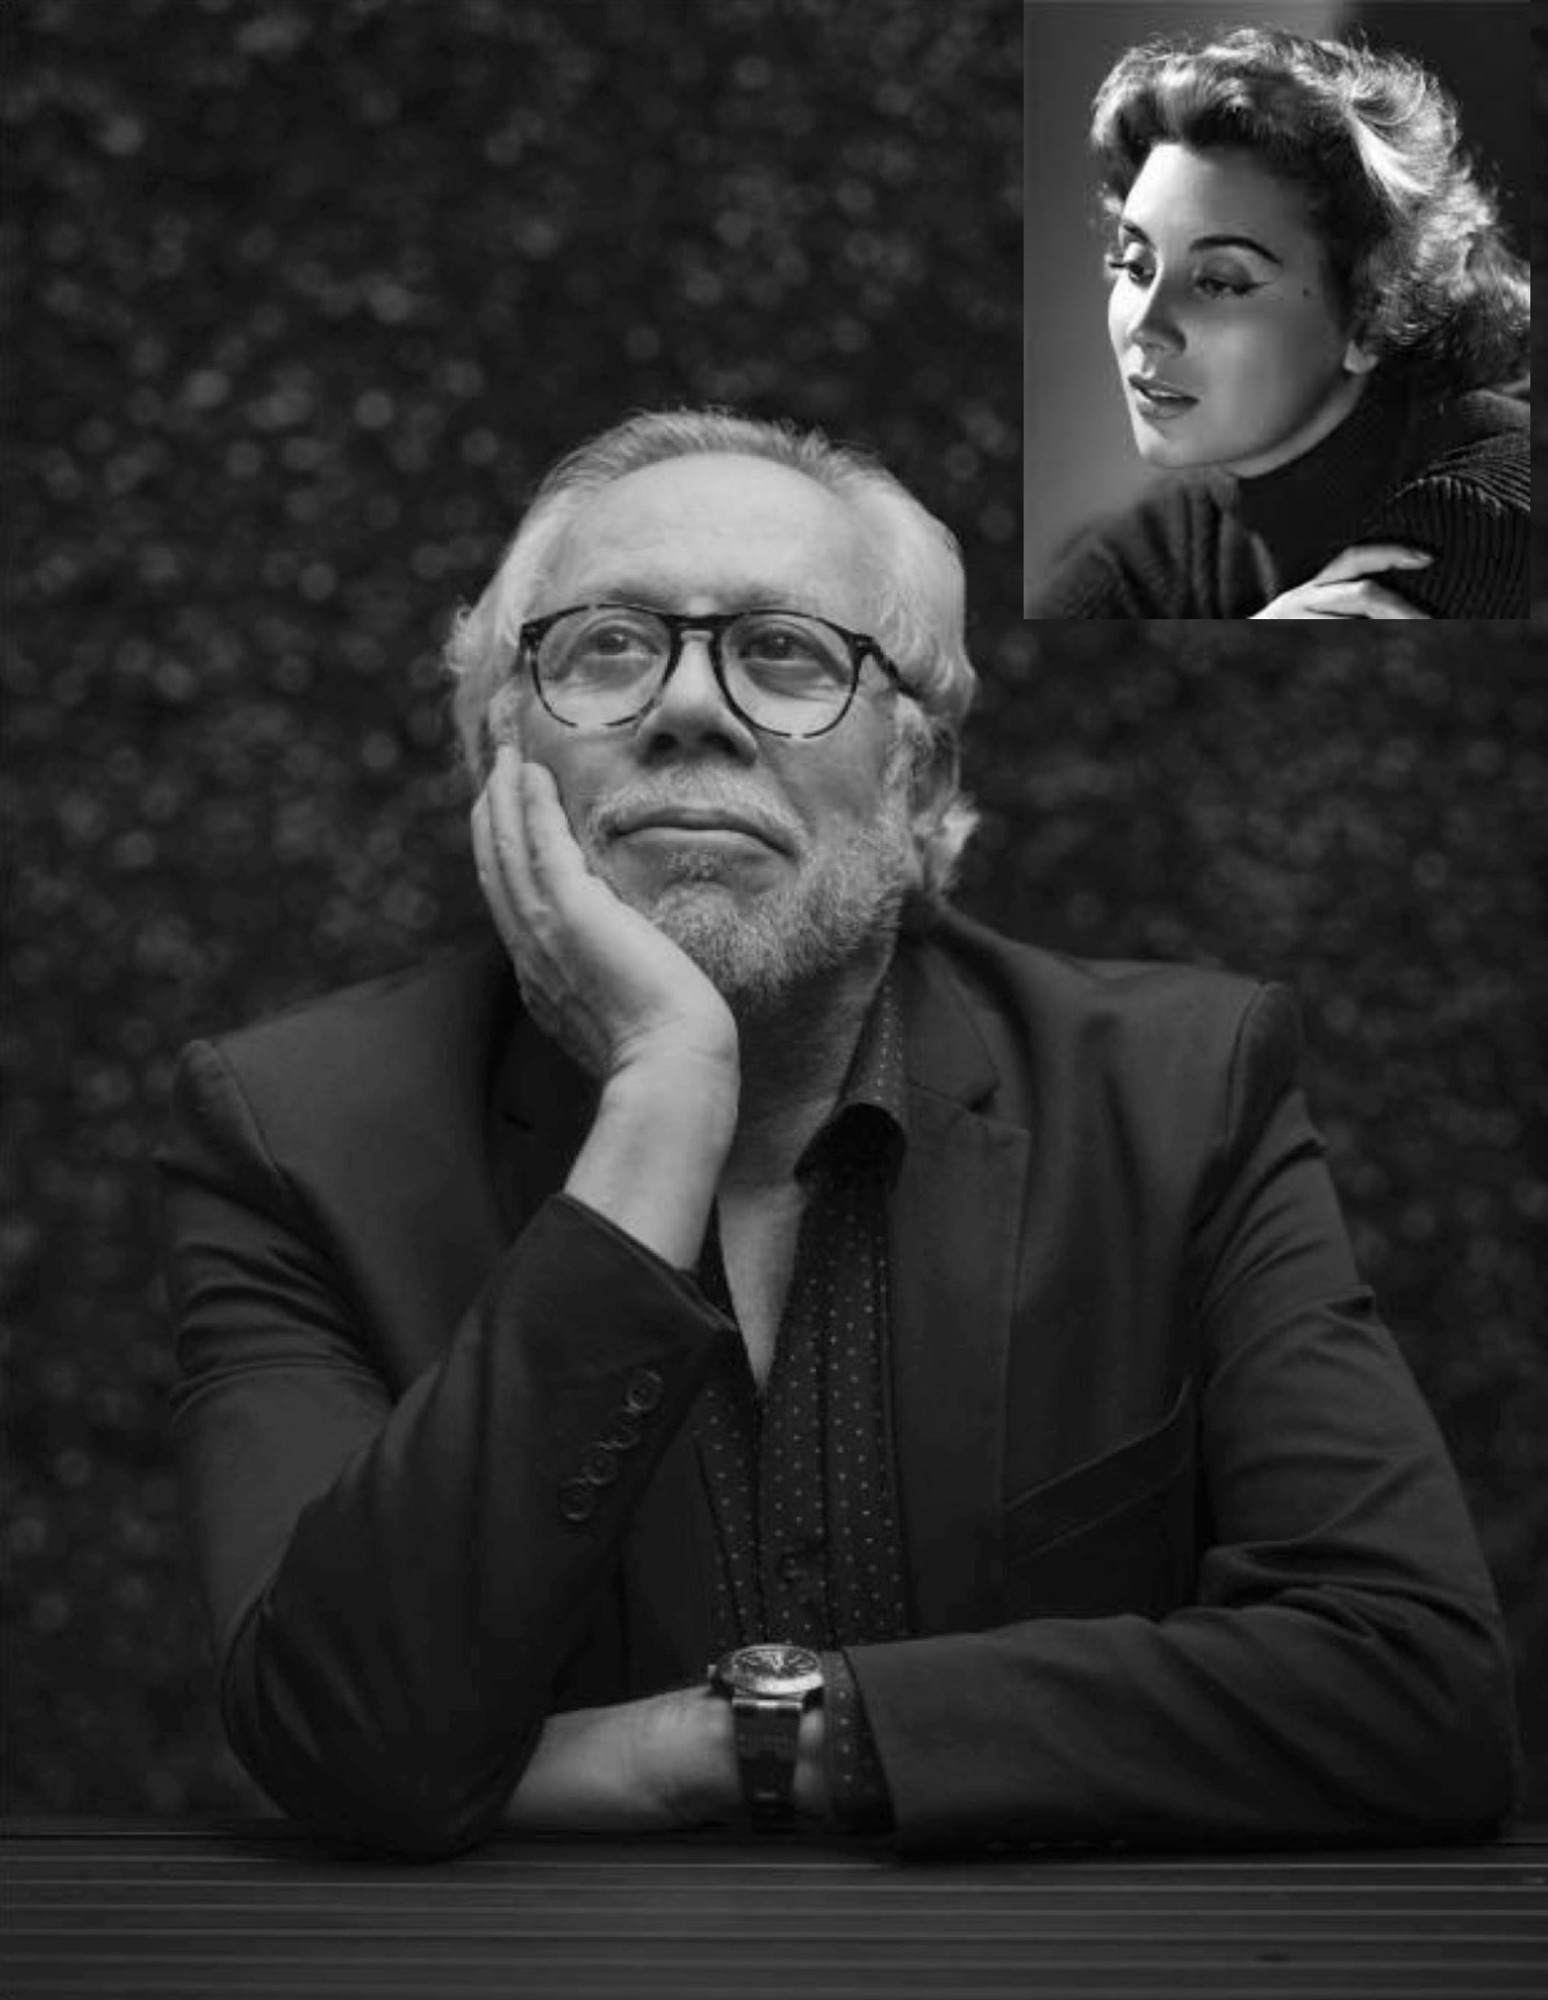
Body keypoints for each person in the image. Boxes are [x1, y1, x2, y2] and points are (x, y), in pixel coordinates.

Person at [157, 409, 1518, 1860]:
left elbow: (1412, 1687)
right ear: (505, 756)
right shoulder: (295, 1136)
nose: (690, 707)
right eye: (607, 646)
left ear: (917, 783)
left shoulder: (1179, 1097)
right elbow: (345, 1739)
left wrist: (729, 1742)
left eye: (786, 652)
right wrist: (665, 1089)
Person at [1026, 27, 1530, 619]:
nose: (1147, 327)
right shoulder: (1159, 545)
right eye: (1136, 267)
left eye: (1219, 282)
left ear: (1372, 313)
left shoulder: (1483, 516)